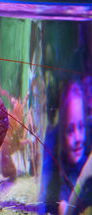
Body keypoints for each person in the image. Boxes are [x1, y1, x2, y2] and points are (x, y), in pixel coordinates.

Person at [41, 81, 90, 214]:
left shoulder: (86, 161)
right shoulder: (58, 169)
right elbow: (62, 203)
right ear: (60, 135)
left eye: (81, 127)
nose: (78, 138)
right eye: (70, 130)